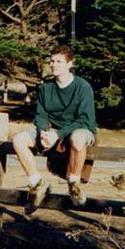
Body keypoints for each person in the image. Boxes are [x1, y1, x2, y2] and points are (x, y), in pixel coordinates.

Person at [13, 44, 97, 214]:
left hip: (80, 129)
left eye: (59, 61)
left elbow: (84, 119)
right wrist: (44, 132)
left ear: (70, 64)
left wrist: (57, 134)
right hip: (52, 131)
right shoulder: (46, 87)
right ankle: (37, 184)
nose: (54, 64)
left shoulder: (83, 87)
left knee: (78, 138)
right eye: (51, 61)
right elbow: (41, 114)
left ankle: (74, 185)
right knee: (19, 139)